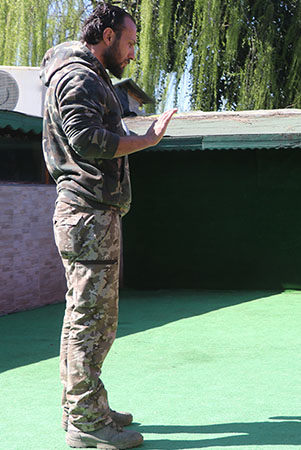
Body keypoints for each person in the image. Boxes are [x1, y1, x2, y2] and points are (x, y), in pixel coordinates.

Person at [40, 3, 176, 449]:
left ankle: (84, 406)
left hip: (89, 213)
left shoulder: (85, 73)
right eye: (131, 41)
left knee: (87, 319)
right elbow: (85, 138)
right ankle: (86, 423)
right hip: (87, 214)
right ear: (108, 35)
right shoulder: (78, 75)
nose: (134, 52)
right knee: (91, 323)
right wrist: (146, 140)